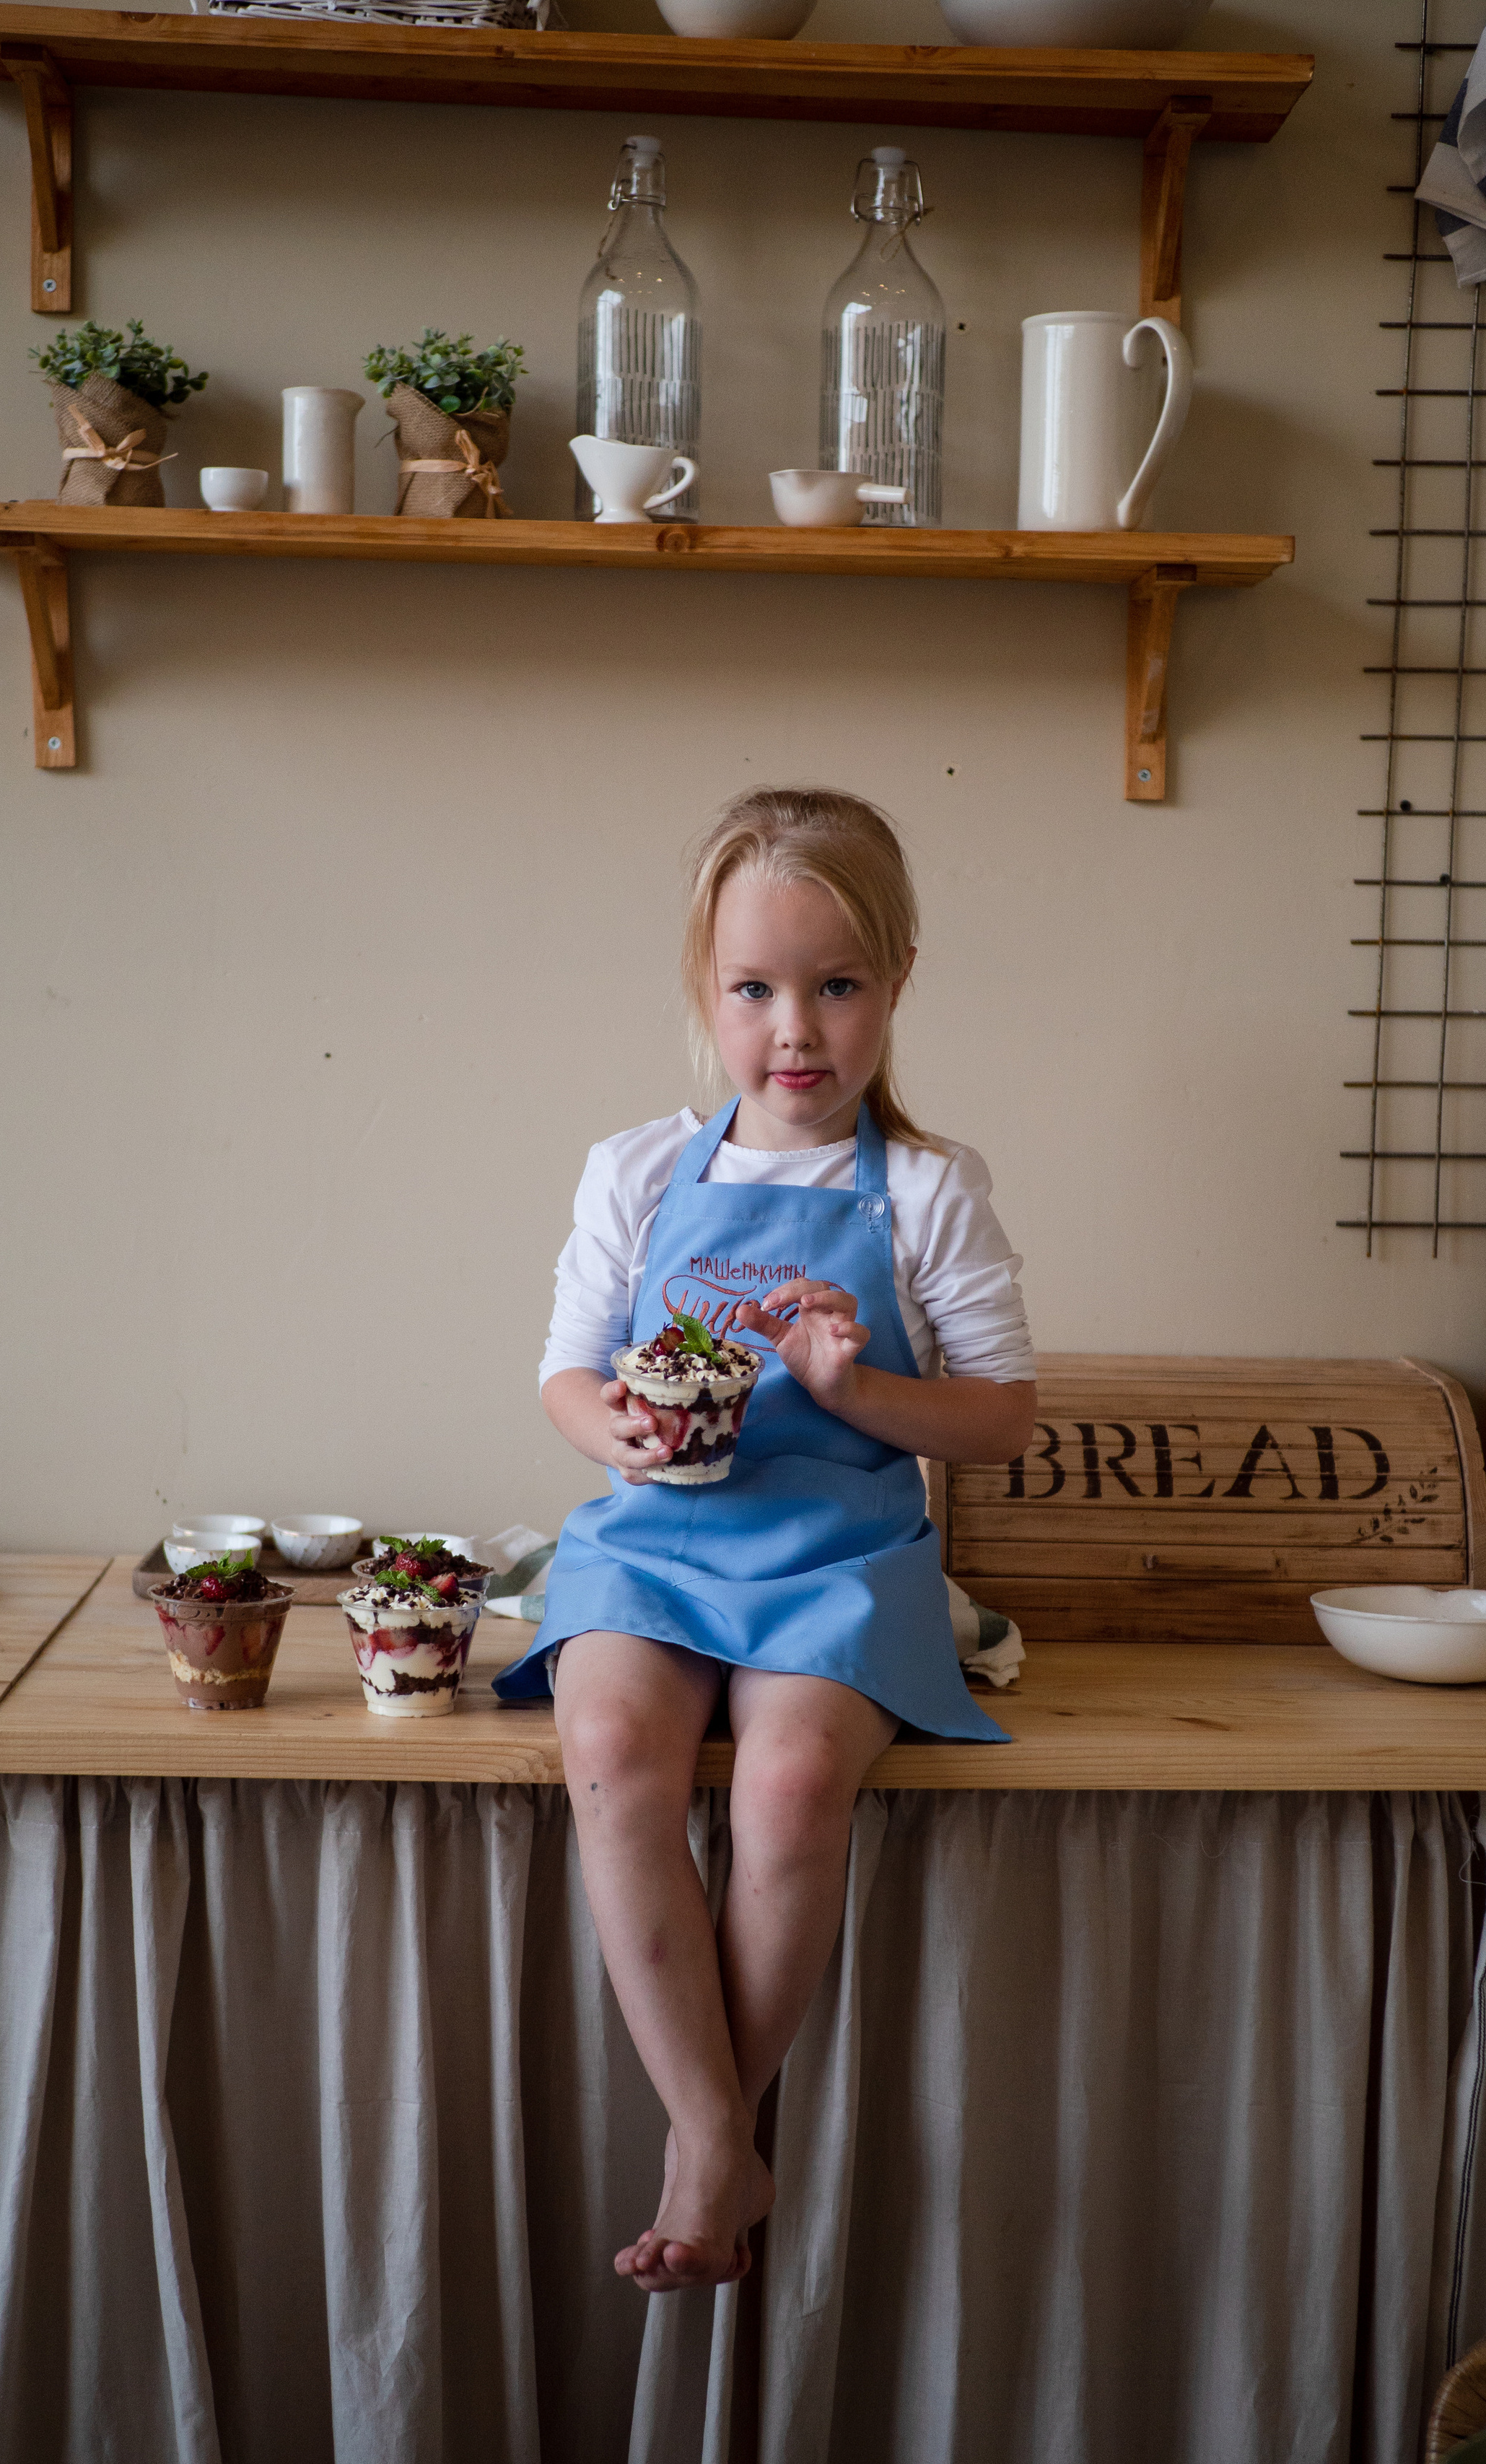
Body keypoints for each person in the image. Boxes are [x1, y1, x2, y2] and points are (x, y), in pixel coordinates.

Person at [494, 786, 1036, 2294]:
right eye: (753, 989)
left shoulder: (926, 1194)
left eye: (835, 985)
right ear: (704, 995)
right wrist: (613, 1428)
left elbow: (1000, 1421)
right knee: (608, 1751)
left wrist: (856, 1388)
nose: (793, 1028)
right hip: (653, 1548)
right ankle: (712, 2130)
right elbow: (563, 1369)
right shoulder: (636, 1173)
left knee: (792, 1784)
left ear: (895, 983)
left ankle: (705, 2142)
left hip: (838, 1557)